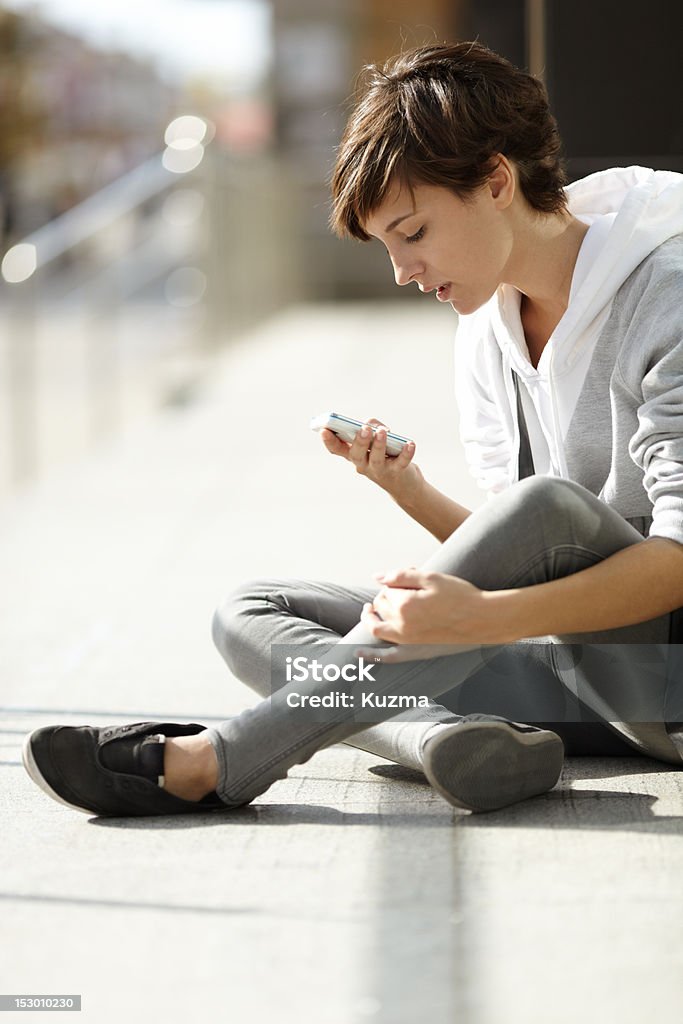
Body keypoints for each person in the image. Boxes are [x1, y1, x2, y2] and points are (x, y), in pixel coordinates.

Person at [22, 41, 683, 818]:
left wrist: (484, 619)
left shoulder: (665, 294)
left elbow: (662, 561)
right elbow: (530, 555)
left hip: (663, 685)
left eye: (413, 232)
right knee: (252, 611)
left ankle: (219, 760)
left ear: (497, 181)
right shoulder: (486, 321)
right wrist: (408, 490)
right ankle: (444, 739)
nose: (403, 272)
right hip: (576, 680)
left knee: (542, 507)